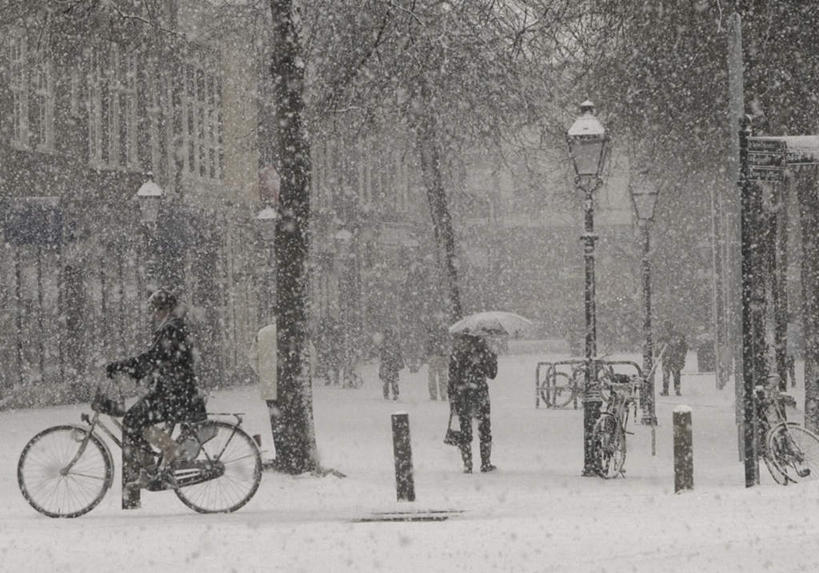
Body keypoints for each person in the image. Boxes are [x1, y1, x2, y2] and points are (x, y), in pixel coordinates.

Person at [106, 288, 206, 486]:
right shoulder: (174, 326)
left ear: (165, 309)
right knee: (136, 420)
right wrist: (134, 369)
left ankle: (162, 458)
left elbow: (153, 358)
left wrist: (122, 366)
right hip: (177, 390)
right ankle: (152, 467)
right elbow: (158, 359)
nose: (154, 314)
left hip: (174, 393)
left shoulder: (171, 328)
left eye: (156, 309)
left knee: (133, 420)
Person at [448, 333, 498, 473]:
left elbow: (452, 375)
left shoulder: (457, 352)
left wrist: (452, 395)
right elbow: (492, 374)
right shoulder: (484, 352)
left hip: (462, 395)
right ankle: (485, 463)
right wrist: (490, 358)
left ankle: (467, 464)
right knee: (484, 428)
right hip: (479, 394)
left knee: (465, 429)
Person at [658, 321, 688, 396]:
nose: (666, 328)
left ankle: (668, 390)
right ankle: (675, 390)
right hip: (673, 358)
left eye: (667, 326)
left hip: (671, 358)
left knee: (668, 374)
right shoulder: (677, 335)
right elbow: (684, 347)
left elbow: (684, 346)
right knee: (673, 374)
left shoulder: (667, 337)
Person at [425, 323, 449, 400]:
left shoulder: (431, 338)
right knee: (443, 377)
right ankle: (443, 394)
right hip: (442, 357)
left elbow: (427, 349)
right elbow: (447, 347)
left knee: (432, 377)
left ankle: (433, 395)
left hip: (433, 357)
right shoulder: (445, 337)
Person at [379, 327, 404, 400]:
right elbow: (399, 353)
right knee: (392, 380)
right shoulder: (394, 342)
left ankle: (389, 394)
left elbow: (381, 354)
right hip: (392, 363)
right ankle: (393, 394)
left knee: (388, 380)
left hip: (389, 363)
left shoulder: (384, 342)